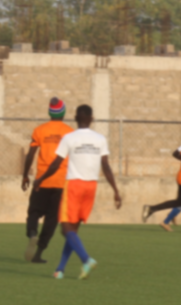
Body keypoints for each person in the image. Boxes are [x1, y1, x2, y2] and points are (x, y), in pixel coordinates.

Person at [31, 104, 122, 279]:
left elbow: (56, 164)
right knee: (72, 232)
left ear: (75, 118)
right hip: (91, 187)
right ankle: (60, 270)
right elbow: (106, 166)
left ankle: (86, 260)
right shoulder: (100, 138)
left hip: (74, 186)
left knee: (65, 229)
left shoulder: (69, 138)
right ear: (92, 119)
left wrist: (40, 179)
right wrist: (115, 190)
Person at [21, 98, 74, 264]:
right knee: (52, 219)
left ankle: (32, 233)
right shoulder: (69, 132)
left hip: (41, 181)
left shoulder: (40, 130)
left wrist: (25, 175)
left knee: (34, 212)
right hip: (61, 182)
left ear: (49, 113)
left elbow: (30, 155)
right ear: (63, 113)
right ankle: (38, 253)